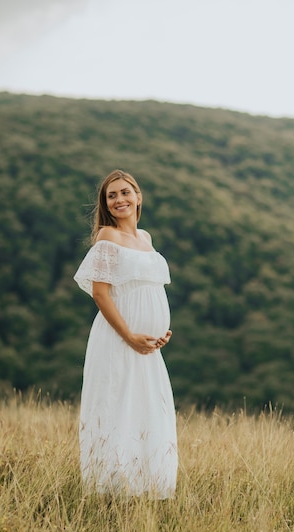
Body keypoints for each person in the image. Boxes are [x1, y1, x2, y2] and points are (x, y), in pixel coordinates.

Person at [74, 169, 178, 499]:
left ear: (138, 196)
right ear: (106, 204)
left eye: (125, 192)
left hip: (147, 347)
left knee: (148, 408)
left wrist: (159, 332)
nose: (120, 199)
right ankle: (112, 492)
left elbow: (148, 289)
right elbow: (101, 293)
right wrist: (130, 335)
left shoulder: (145, 238)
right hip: (119, 339)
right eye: (111, 196)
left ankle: (146, 487)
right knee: (119, 407)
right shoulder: (108, 236)